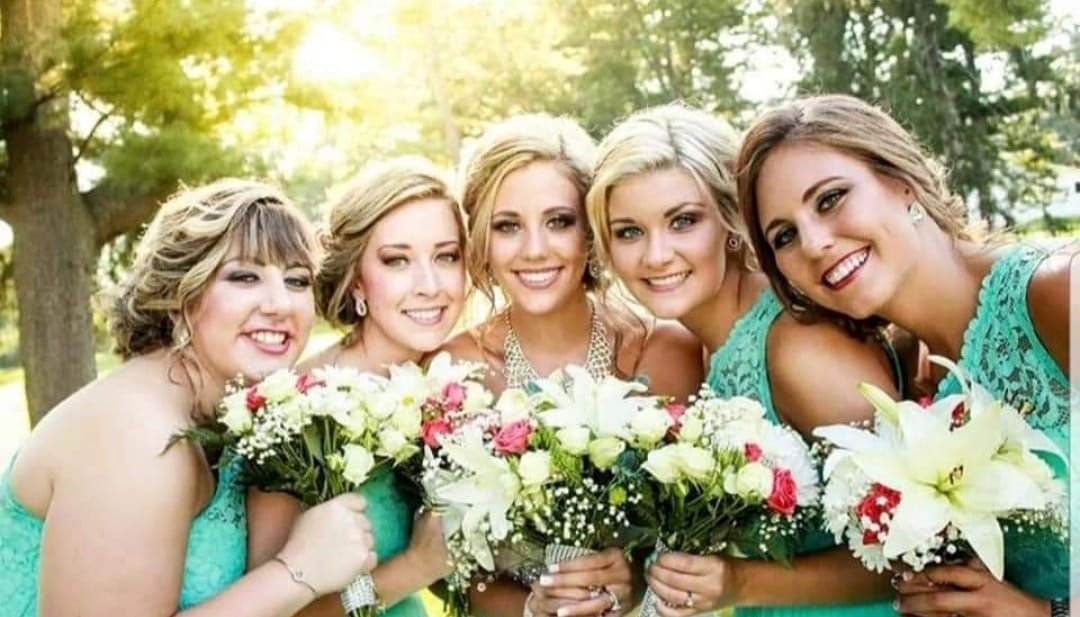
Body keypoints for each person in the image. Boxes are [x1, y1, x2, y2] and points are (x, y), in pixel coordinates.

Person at [737, 93, 1073, 617]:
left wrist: (1046, 612)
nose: (815, 243)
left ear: (901, 180)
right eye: (785, 236)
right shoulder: (900, 381)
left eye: (829, 199)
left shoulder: (1054, 294)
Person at [0, 179, 376, 617]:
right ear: (178, 296)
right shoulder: (136, 435)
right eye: (244, 276)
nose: (280, 303)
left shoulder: (226, 418)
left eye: (297, 280)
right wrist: (298, 571)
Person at [586, 103, 901, 617]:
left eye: (682, 221)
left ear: (732, 219)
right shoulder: (703, 348)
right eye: (629, 231)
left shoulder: (800, 348)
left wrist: (741, 582)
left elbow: (915, 552)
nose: (656, 255)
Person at [441, 113, 704, 617]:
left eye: (558, 221)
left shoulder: (669, 353)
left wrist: (636, 583)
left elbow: (700, 545)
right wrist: (531, 609)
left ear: (591, 231)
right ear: (481, 239)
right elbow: (449, 575)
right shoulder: (457, 371)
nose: (535, 249)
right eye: (507, 226)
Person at [247, 157, 468, 617]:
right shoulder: (298, 410)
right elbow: (273, 610)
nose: (430, 285)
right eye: (397, 260)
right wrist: (414, 568)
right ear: (357, 280)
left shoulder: (457, 382)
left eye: (446, 256)